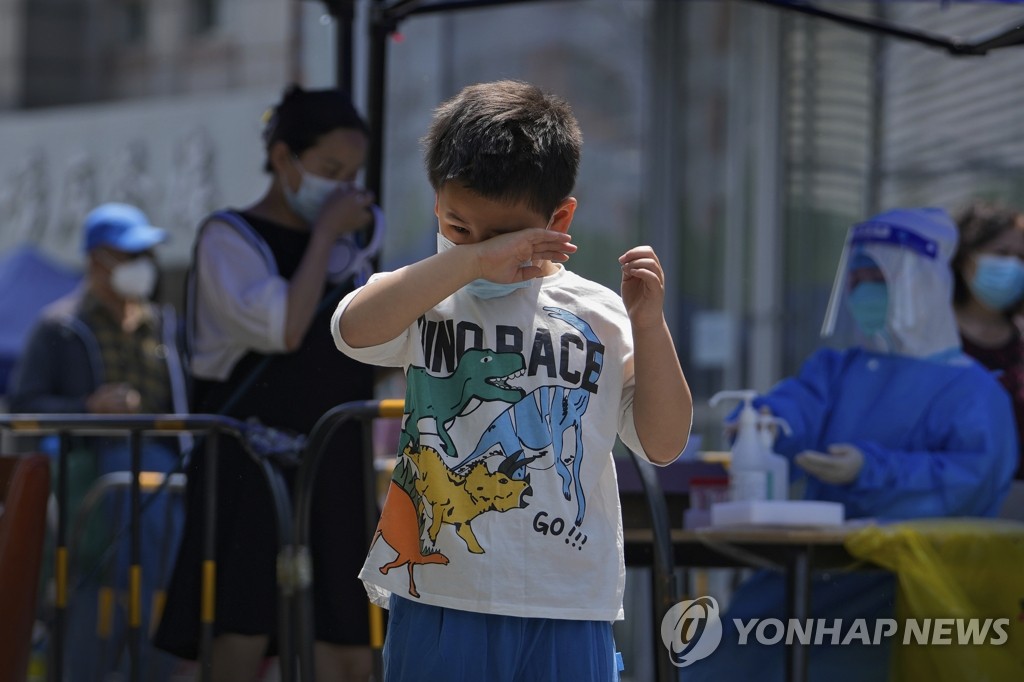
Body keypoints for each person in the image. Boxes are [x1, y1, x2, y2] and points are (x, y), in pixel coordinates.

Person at [331, 79, 693, 681]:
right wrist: (467, 261)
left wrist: (650, 323)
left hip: (569, 601)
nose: (479, 249)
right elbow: (353, 331)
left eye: (500, 236)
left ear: (560, 218)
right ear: (436, 207)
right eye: (457, 226)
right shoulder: (430, 292)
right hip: (442, 593)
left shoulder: (597, 312)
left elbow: (662, 442)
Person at [688, 207, 1018, 681]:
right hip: (803, 576)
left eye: (878, 279)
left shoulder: (976, 395)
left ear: (920, 284)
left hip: (905, 590)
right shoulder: (839, 369)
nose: (864, 293)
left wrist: (870, 468)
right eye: (858, 279)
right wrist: (764, 423)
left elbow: (968, 484)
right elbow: (795, 408)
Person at [153, 85, 383, 682]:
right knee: (239, 633)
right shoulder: (228, 237)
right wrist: (328, 234)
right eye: (330, 170)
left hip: (333, 462)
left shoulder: (352, 251)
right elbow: (283, 327)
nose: (341, 186)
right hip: (246, 462)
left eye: (351, 174)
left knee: (348, 639)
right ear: (285, 159)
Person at [7, 201, 189, 681]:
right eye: (129, 254)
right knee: (92, 604)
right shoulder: (58, 326)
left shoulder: (167, 327)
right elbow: (25, 407)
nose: (141, 265)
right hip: (91, 487)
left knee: (165, 597)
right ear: (95, 261)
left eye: (146, 254)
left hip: (168, 481)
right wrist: (87, 408)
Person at [950, 200, 1024, 517]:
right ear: (966, 258)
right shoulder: (932, 338)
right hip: (949, 505)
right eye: (1001, 253)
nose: (1013, 266)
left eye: (1021, 257)